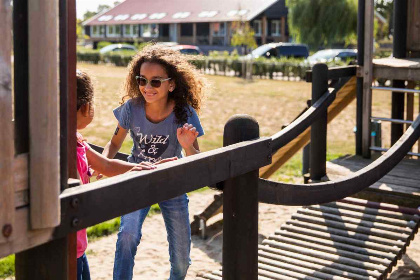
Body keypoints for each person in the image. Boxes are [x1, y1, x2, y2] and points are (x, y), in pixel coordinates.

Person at [102, 44, 206, 280]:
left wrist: (188, 144)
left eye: (156, 82)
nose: (147, 88)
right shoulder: (131, 108)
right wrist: (104, 163)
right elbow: (114, 143)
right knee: (127, 236)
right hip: (138, 176)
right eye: (142, 80)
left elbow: (196, 161)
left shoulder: (184, 113)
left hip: (172, 182)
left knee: (181, 258)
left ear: (171, 84)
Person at [75, 69, 176, 280]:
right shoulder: (67, 147)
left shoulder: (76, 141)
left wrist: (140, 168)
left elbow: (107, 165)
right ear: (86, 107)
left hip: (78, 244)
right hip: (69, 244)